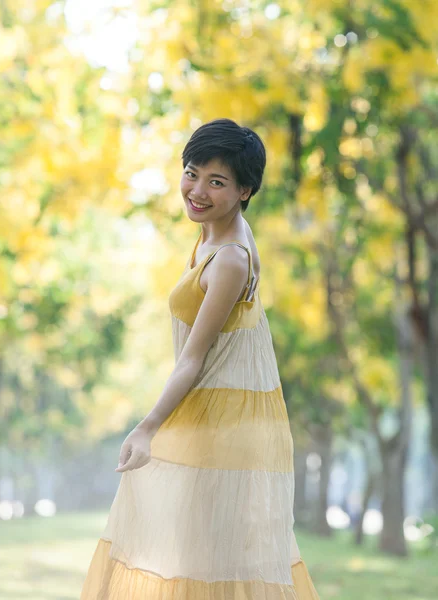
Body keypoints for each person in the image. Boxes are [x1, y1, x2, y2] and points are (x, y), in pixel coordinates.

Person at [80, 118, 320, 599]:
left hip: (219, 426)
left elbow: (193, 359)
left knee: (201, 563)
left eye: (217, 182)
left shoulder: (230, 258)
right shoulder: (216, 234)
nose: (198, 190)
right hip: (214, 418)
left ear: (245, 190)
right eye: (192, 173)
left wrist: (146, 427)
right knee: (197, 559)